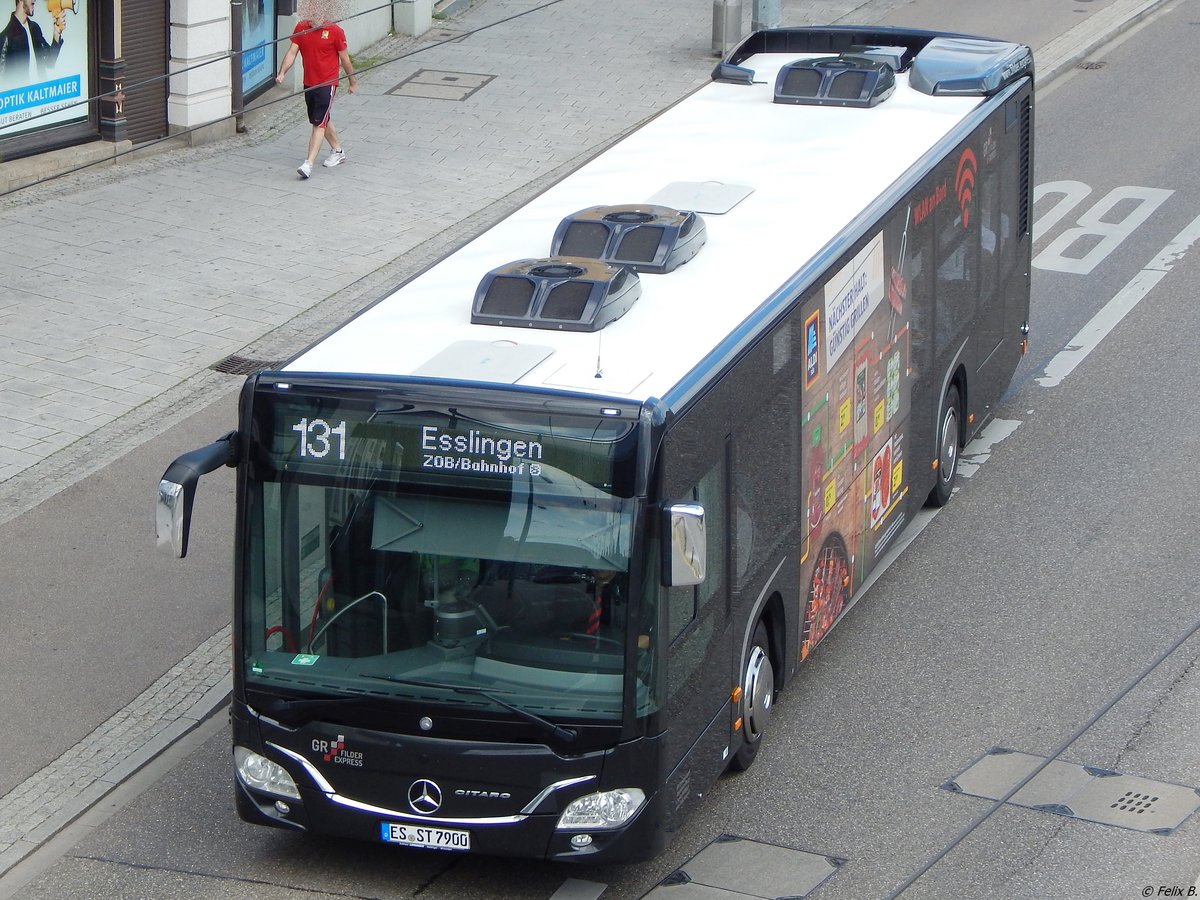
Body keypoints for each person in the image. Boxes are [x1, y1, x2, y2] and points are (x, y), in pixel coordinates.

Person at [275, 13, 357, 179]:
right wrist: (282, 72)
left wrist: (352, 82)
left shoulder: (335, 31)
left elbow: (345, 59)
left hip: (327, 84)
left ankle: (308, 164)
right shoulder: (301, 27)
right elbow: (292, 52)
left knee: (318, 123)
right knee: (320, 118)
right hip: (309, 82)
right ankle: (338, 151)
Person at [0, 0, 64, 84]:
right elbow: (2, 82)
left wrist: (56, 34)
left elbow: (49, 62)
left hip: (40, 93)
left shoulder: (35, 28)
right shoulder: (6, 37)